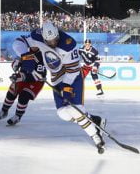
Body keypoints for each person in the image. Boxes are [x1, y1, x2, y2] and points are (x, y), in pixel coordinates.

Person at [22, 21, 108, 152]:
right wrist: (23, 57)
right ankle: (94, 120)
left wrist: (66, 89)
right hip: (56, 80)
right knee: (63, 113)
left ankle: (95, 135)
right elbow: (18, 42)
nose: (53, 43)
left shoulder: (68, 44)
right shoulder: (36, 36)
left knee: (75, 109)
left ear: (58, 33)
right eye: (49, 41)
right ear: (43, 37)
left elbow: (72, 71)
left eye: (55, 39)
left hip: (72, 78)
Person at [0, 35, 47, 126]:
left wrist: (21, 76)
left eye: (35, 43)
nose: (33, 45)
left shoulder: (43, 56)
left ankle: (18, 116)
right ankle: (3, 111)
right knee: (11, 93)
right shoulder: (25, 52)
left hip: (36, 81)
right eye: (31, 43)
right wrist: (15, 64)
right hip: (22, 77)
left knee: (23, 96)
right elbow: (16, 63)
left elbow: (39, 75)